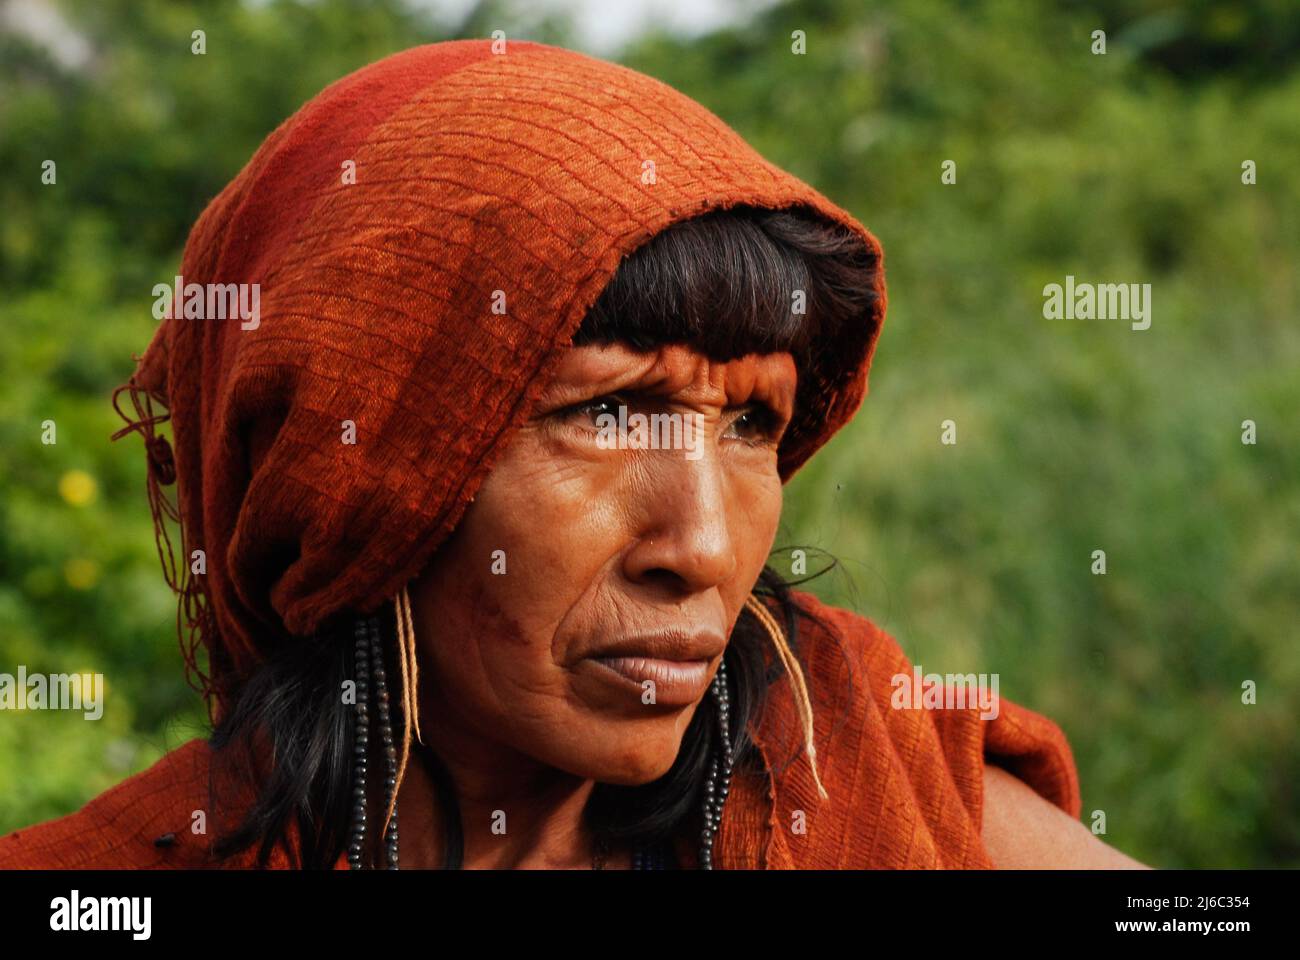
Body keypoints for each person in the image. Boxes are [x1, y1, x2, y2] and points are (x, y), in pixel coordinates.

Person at [0, 39, 1144, 870]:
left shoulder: (856, 768)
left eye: (751, 425)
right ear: (347, 482)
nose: (704, 551)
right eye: (607, 414)